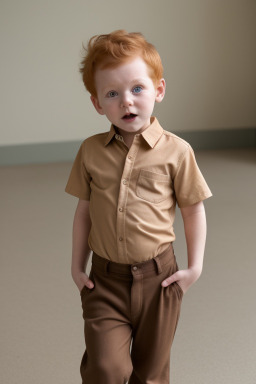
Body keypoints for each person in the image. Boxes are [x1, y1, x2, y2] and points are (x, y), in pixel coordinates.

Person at [65, 29, 212, 384]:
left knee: (151, 375)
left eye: (137, 89)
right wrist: (76, 265)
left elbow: (193, 210)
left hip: (159, 281)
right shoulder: (90, 152)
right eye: (112, 94)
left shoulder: (178, 152)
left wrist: (195, 268)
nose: (126, 102)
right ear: (97, 103)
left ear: (158, 90)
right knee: (106, 369)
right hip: (105, 280)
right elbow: (84, 210)